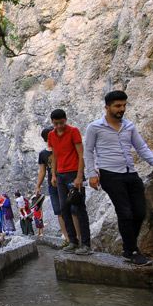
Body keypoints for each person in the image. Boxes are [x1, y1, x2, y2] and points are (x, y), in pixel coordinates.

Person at [85, 90, 153, 266]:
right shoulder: (95, 127)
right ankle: (131, 250)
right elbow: (88, 151)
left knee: (139, 212)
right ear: (107, 107)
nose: (121, 109)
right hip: (110, 175)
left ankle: (128, 248)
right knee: (125, 213)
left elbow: (141, 147)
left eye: (124, 105)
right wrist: (92, 174)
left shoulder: (128, 126)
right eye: (117, 106)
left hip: (130, 173)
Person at [48, 109, 92, 255]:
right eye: (56, 124)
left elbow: (81, 155)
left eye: (61, 123)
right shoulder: (51, 135)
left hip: (74, 174)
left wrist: (79, 176)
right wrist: (53, 175)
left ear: (65, 119)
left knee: (79, 208)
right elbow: (54, 156)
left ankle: (85, 244)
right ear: (52, 123)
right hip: (60, 175)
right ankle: (72, 241)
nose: (59, 126)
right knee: (64, 209)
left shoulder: (73, 131)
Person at [34, 126, 69, 244]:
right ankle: (66, 236)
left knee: (70, 208)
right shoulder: (43, 154)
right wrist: (38, 186)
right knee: (59, 210)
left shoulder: (62, 148)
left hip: (66, 180)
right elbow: (42, 171)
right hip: (52, 184)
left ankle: (74, 236)